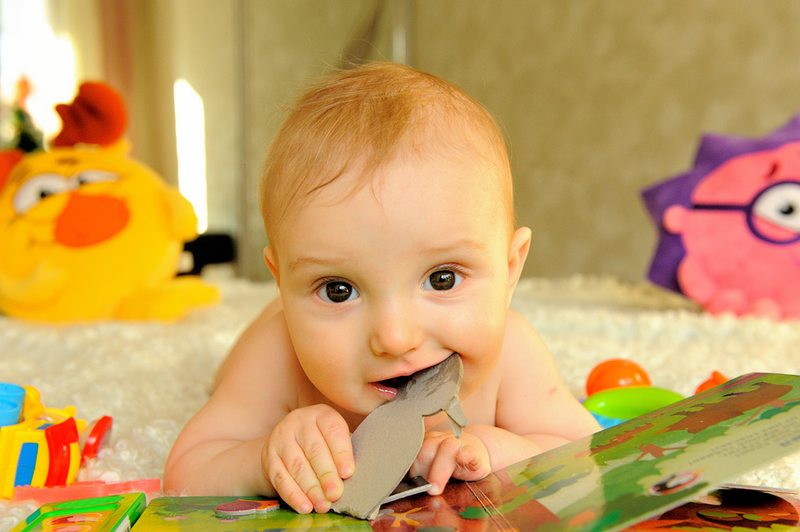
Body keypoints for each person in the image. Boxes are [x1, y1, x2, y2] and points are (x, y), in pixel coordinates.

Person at [164, 62, 599, 515]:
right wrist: (263, 458)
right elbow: (185, 470)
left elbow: (591, 455)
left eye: (442, 279)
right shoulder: (279, 353)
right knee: (241, 360)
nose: (395, 338)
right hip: (264, 338)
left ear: (509, 270)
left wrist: (494, 448)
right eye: (338, 290)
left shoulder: (514, 354)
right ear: (283, 283)